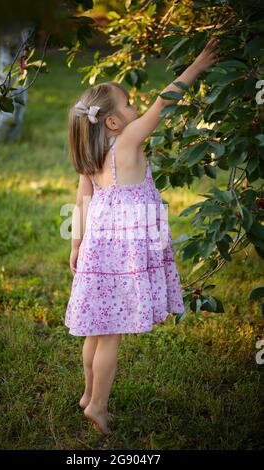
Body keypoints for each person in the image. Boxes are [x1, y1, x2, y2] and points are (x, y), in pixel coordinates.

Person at [64, 37, 222, 437]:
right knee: (111, 334)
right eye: (129, 104)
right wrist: (198, 65)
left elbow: (82, 202)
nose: (137, 109)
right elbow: (163, 103)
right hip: (124, 254)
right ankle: (98, 405)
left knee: (96, 328)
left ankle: (86, 394)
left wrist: (75, 244)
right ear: (114, 123)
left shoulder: (92, 156)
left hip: (97, 248)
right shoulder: (129, 143)